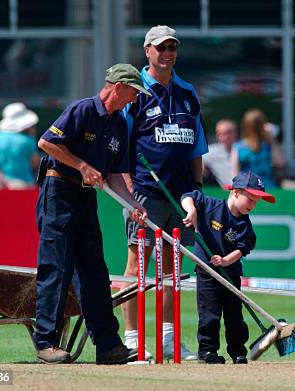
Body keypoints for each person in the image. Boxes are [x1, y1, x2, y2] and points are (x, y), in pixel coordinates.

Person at [34, 64, 149, 364]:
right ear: (118, 87)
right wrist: (81, 165)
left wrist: (132, 204)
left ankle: (108, 345)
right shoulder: (82, 110)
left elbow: (113, 176)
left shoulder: (120, 125)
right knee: (56, 268)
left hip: (85, 198)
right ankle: (46, 342)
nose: (134, 100)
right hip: (57, 191)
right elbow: (47, 142)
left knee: (95, 273)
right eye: (134, 93)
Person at [121, 25, 206, 361]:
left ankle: (168, 341)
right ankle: (131, 341)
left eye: (172, 47)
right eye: (161, 48)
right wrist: (129, 194)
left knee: (173, 269)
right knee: (136, 268)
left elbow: (197, 148)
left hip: (182, 195)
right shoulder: (135, 92)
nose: (167, 53)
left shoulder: (187, 92)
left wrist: (196, 192)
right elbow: (121, 147)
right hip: (144, 194)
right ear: (147, 51)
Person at [181, 171, 275, 364]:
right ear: (236, 192)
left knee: (234, 316)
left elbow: (241, 251)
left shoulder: (245, 226)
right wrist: (191, 211)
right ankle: (207, 351)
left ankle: (237, 351)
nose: (252, 205)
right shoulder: (210, 205)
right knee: (209, 314)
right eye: (250, 199)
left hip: (230, 274)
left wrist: (224, 261)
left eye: (256, 202)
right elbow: (188, 196)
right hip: (206, 273)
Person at [0, 102, 41, 189]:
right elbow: (35, 164)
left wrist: (5, 182)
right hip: (25, 185)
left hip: (0, 186)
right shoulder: (28, 140)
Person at [231, 108, 284, 188]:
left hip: (247, 190)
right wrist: (272, 140)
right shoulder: (267, 145)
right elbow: (280, 163)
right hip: (266, 188)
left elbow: (235, 174)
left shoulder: (238, 147)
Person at [203, 118, 237, 187]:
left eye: (227, 133)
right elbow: (195, 160)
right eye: (219, 134)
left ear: (235, 133)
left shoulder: (244, 149)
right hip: (226, 193)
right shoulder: (210, 151)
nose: (222, 137)